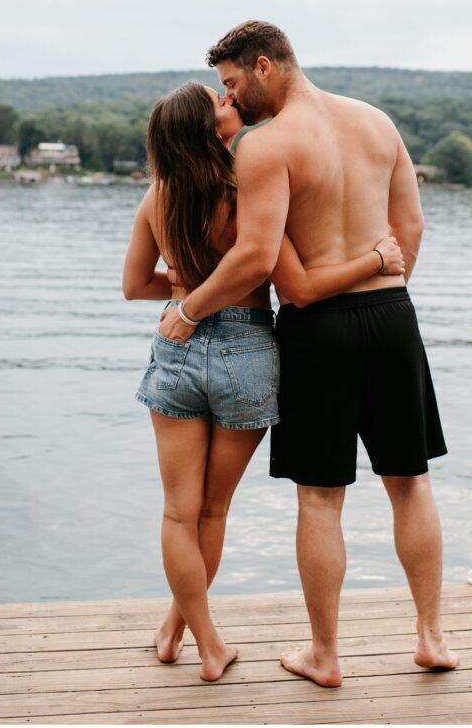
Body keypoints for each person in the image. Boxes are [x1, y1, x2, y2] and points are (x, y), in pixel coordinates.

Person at [158, 21, 459, 688]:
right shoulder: (377, 123)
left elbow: (258, 261)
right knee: (409, 483)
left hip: (317, 326)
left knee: (321, 500)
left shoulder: (268, 146)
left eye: (233, 84)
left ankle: (325, 655)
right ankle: (431, 637)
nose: (232, 98)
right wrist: (382, 282)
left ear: (264, 67)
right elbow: (409, 228)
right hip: (391, 313)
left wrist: (186, 309)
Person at [122, 80, 403, 682]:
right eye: (220, 101)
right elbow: (289, 281)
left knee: (178, 514)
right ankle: (199, 644)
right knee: (214, 510)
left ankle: (190, 636)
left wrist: (183, 290)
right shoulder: (247, 192)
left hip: (175, 343)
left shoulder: (158, 197)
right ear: (207, 128)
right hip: (247, 347)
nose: (231, 104)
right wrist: (377, 261)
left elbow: (133, 285)